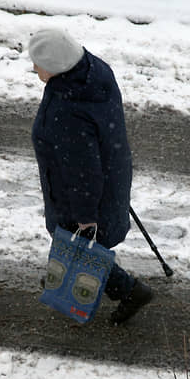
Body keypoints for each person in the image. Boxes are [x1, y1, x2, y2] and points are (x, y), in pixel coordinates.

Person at [27, 28, 153, 325]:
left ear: (58, 66)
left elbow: (82, 172)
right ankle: (70, 273)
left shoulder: (67, 111)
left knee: (80, 241)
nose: (34, 68)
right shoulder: (94, 73)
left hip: (80, 192)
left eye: (38, 63)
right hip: (111, 170)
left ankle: (128, 291)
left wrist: (86, 216)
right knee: (78, 242)